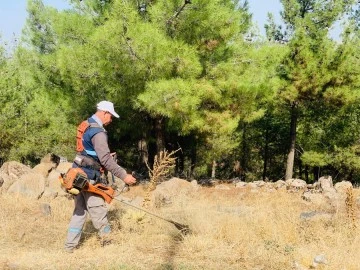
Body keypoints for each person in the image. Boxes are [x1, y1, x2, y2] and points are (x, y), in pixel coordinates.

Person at [64, 100, 136, 253]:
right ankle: (108, 245)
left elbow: (87, 151)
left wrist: (100, 156)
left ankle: (69, 247)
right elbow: (105, 160)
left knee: (79, 211)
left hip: (76, 174)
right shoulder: (99, 132)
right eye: (111, 116)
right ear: (105, 113)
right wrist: (124, 176)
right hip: (89, 178)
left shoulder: (86, 124)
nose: (111, 120)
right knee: (98, 210)